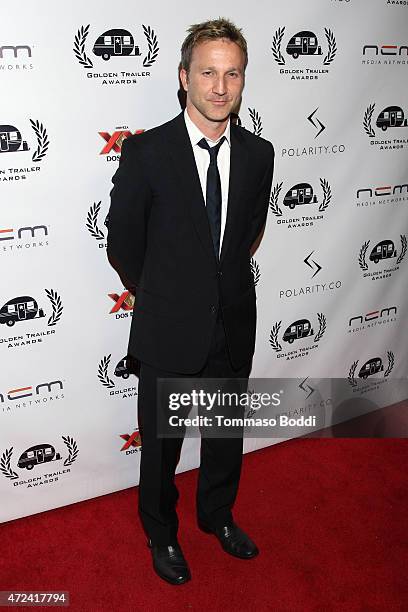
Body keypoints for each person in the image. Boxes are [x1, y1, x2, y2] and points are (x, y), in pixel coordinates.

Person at [107, 17, 275, 585]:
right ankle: (161, 533)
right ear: (184, 77)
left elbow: (248, 233)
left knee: (226, 436)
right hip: (167, 327)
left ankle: (217, 517)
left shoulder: (259, 154)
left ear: (244, 79)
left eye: (232, 74)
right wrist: (166, 295)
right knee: (161, 448)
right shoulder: (147, 152)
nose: (220, 87)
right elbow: (124, 243)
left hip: (233, 323)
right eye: (208, 72)